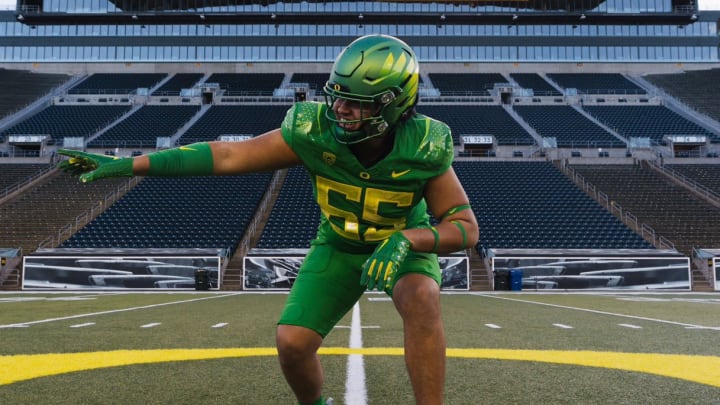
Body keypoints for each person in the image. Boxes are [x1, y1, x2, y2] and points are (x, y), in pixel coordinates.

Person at [58, 34, 479, 405]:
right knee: (292, 343)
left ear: (394, 106)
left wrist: (408, 239)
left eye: (357, 104)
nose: (342, 109)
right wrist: (128, 165)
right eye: (338, 96)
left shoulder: (425, 144)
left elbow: (464, 226)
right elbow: (227, 155)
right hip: (339, 244)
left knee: (422, 297)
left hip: (401, 246)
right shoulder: (313, 130)